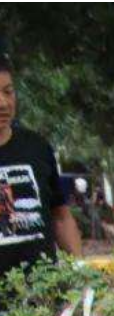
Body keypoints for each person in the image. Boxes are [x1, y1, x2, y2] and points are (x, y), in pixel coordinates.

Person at [0, 53, 82, 284]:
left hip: (42, 297)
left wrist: (80, 271)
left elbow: (61, 218)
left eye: (8, 92)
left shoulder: (37, 148)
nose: (3, 103)